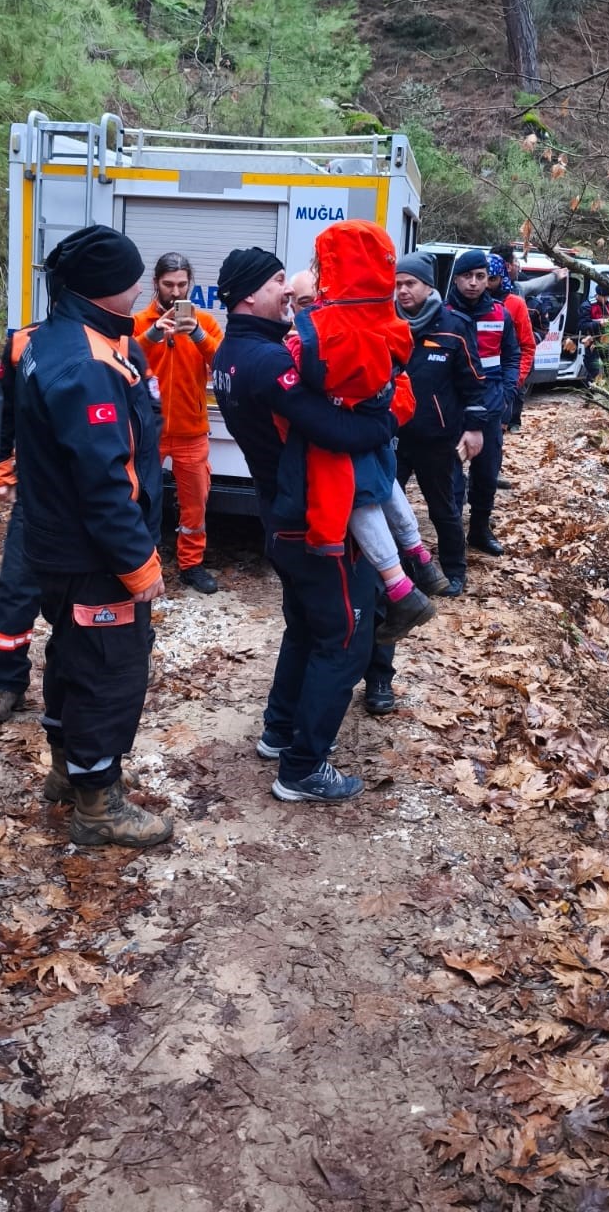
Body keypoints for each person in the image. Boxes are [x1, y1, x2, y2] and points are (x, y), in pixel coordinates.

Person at [212, 247, 400, 804]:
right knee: (343, 640)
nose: (287, 293)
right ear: (250, 295)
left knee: (306, 628)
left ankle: (278, 731)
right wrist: (388, 417)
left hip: (279, 514)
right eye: (277, 282)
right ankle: (303, 767)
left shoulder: (232, 352)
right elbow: (338, 432)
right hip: (315, 521)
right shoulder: (270, 362)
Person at [15, 225, 171, 849]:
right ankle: (97, 803)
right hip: (93, 556)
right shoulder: (88, 363)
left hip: (57, 548)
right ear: (113, 287)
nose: (141, 287)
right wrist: (138, 563)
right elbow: (106, 480)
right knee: (111, 672)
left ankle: (66, 770)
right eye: (134, 277)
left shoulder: (47, 339)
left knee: (73, 656)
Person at [278, 221, 443, 640]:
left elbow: (313, 371)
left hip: (345, 443)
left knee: (357, 500)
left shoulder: (329, 329)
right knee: (384, 484)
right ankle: (420, 557)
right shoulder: (386, 318)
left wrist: (294, 344)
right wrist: (386, 417)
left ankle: (401, 587)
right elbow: (396, 378)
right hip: (376, 433)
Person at [393, 251, 493, 598]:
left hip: (437, 438)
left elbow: (474, 381)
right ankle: (395, 570)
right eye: (398, 284)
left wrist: (475, 427)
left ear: (428, 285)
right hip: (392, 435)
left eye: (410, 283)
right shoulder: (387, 324)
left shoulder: (453, 326)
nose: (403, 291)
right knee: (384, 503)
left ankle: (454, 570)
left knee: (443, 509)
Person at [134, 253, 223, 595]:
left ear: (191, 283)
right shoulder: (140, 322)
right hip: (148, 432)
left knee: (196, 502)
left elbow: (224, 362)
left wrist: (198, 334)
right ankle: (144, 564)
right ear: (156, 283)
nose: (175, 291)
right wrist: (154, 335)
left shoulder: (204, 322)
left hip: (191, 430)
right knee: (142, 498)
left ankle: (191, 565)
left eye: (182, 284)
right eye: (168, 284)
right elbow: (121, 358)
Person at [0, 324, 39, 726]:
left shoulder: (120, 339)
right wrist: (0, 472)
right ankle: (5, 683)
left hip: (93, 494)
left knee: (88, 597)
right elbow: (5, 413)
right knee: (17, 585)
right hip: (37, 492)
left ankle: (80, 689)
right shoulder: (22, 343)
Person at [447, 249, 521, 557]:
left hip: (490, 406)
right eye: (467, 277)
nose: (474, 283)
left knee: (487, 473)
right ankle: (451, 538)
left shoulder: (500, 314)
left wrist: (506, 394)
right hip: (453, 408)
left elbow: (512, 356)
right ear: (457, 278)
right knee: (450, 477)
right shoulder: (443, 313)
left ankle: (479, 529)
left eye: (480, 277)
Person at [487, 254, 535, 433]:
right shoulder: (469, 304)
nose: (485, 284)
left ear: (501, 277)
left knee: (494, 442)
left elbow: (527, 346)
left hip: (502, 384)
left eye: (491, 279)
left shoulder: (515, 304)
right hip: (473, 387)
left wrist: (514, 381)